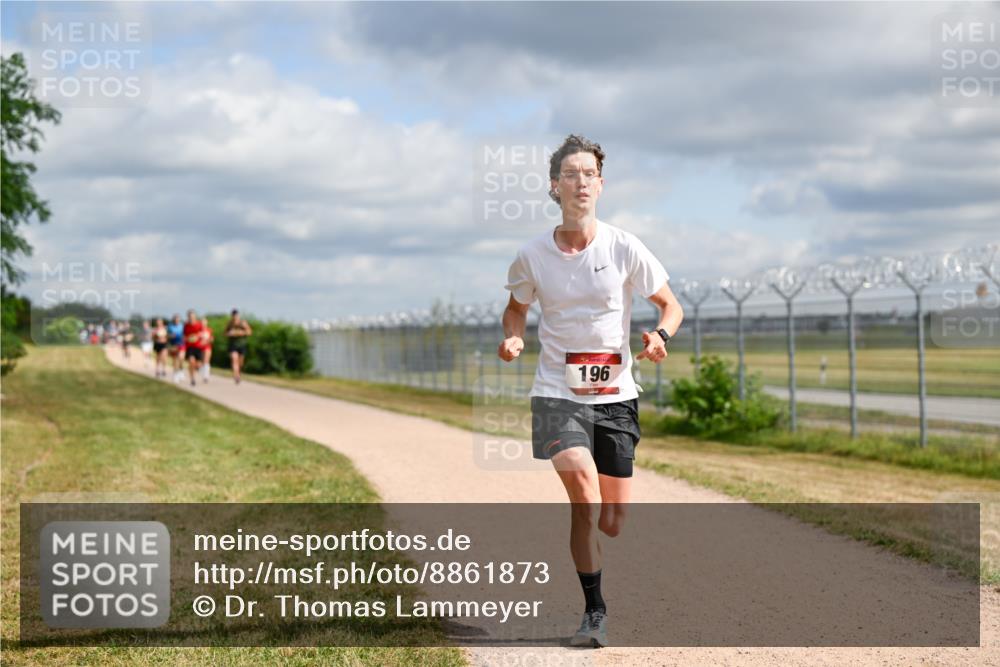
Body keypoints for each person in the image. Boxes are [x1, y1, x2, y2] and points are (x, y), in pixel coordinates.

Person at [498, 135, 683, 648]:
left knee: (613, 521)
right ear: (555, 186)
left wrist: (660, 335)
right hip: (556, 391)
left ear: (601, 184)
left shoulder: (623, 245)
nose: (581, 181)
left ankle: (606, 532)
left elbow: (671, 305)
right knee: (582, 493)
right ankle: (594, 611)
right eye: (571, 174)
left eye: (590, 173)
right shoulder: (532, 255)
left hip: (616, 394)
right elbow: (517, 306)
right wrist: (514, 335)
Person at [224, 309, 252, 384]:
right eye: (233, 316)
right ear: (232, 316)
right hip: (232, 345)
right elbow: (225, 333)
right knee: (234, 359)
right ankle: (236, 377)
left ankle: (239, 373)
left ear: (238, 316)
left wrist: (240, 333)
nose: (235, 317)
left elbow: (249, 332)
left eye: (236, 315)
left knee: (240, 363)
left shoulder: (243, 323)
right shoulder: (229, 324)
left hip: (242, 345)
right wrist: (230, 334)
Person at [182, 309, 205, 387]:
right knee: (191, 362)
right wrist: (187, 338)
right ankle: (192, 379)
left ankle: (197, 368)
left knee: (198, 365)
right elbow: (184, 336)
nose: (191, 318)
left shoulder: (199, 324)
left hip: (198, 347)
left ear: (195, 316)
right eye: (190, 316)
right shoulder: (186, 325)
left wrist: (197, 336)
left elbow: (203, 334)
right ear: (188, 317)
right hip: (190, 347)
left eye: (193, 316)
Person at [166, 314, 186, 383]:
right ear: (173, 320)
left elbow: (185, 335)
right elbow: (167, 336)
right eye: (175, 319)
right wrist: (171, 336)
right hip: (173, 345)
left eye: (178, 319)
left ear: (179, 320)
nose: (176, 320)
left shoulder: (182, 326)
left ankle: (181, 370)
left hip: (181, 344)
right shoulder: (170, 326)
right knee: (175, 360)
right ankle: (175, 374)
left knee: (181, 358)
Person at [199, 317, 214, 383]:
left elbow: (212, 339)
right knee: (202, 362)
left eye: (204, 322)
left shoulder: (209, 330)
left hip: (207, 347)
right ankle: (203, 373)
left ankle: (206, 376)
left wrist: (207, 341)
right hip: (199, 347)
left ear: (207, 322)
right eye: (202, 322)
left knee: (206, 361)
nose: (203, 323)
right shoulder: (198, 330)